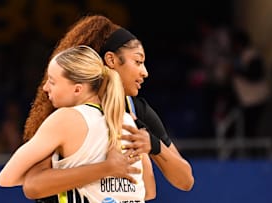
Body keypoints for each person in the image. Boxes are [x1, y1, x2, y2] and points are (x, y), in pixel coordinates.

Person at [22, 15, 194, 202]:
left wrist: (153, 145)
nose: (145, 72)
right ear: (111, 60)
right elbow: (34, 186)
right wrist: (104, 169)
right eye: (137, 62)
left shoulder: (135, 111)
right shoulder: (70, 108)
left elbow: (184, 181)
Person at [0, 45, 152, 202]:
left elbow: (6, 178)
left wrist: (104, 168)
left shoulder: (66, 118)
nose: (45, 88)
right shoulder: (127, 119)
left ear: (78, 89)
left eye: (52, 81)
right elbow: (149, 191)